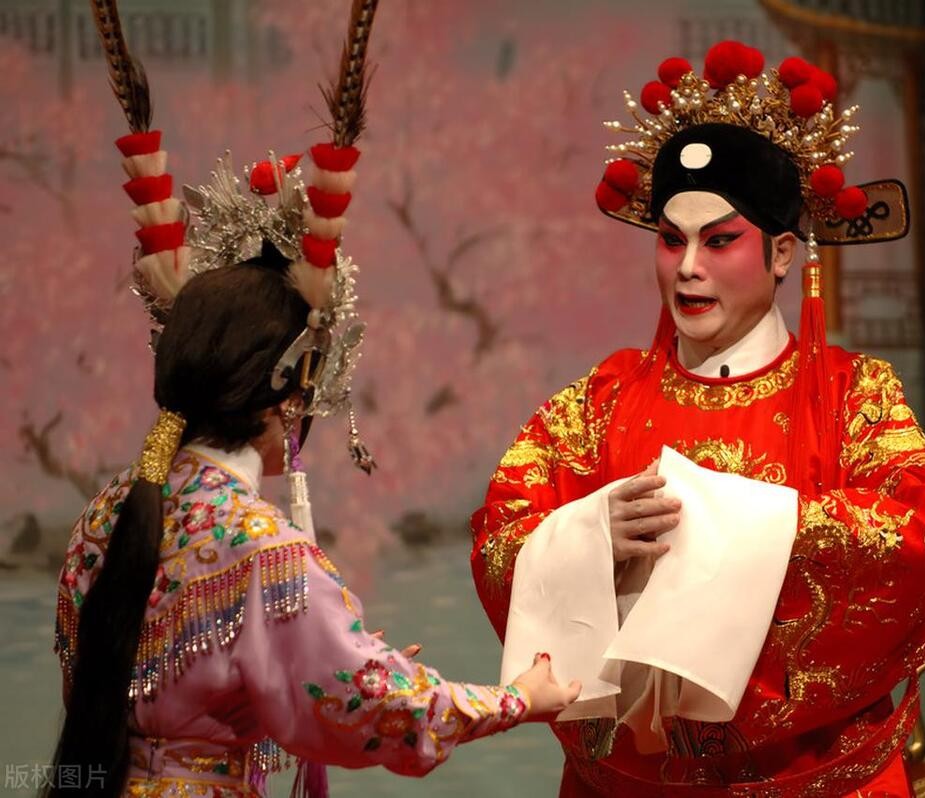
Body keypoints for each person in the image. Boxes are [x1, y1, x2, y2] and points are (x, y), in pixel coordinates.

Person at [46, 4, 578, 797]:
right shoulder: (262, 547)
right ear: (291, 395)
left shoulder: (107, 515)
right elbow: (379, 706)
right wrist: (519, 699)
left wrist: (328, 655)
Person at [471, 40, 925, 797]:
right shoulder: (599, 403)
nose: (688, 266)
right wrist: (590, 538)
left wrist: (727, 519)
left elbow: (908, 540)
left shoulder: (856, 397)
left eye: (720, 240)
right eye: (671, 239)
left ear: (782, 253)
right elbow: (500, 537)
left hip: (820, 779)